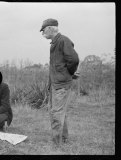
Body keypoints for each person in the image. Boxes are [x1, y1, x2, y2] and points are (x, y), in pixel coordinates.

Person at [40, 18, 80, 146]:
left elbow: (73, 60)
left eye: (44, 30)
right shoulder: (55, 43)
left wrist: (70, 73)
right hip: (55, 84)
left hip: (61, 84)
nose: (42, 33)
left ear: (51, 28)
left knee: (56, 113)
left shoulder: (63, 41)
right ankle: (63, 139)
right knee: (57, 112)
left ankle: (56, 143)